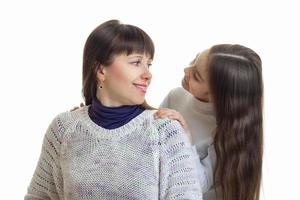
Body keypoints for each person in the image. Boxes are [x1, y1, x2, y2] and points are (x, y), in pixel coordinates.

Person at [25, 20, 204, 199]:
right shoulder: (63, 128)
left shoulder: (165, 131)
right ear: (100, 70)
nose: (147, 74)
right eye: (136, 62)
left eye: (148, 64)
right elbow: (39, 196)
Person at [155, 44, 264, 200]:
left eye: (197, 76)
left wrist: (185, 137)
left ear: (217, 96)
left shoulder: (228, 132)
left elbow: (198, 184)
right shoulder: (176, 96)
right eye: (194, 60)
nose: (186, 70)